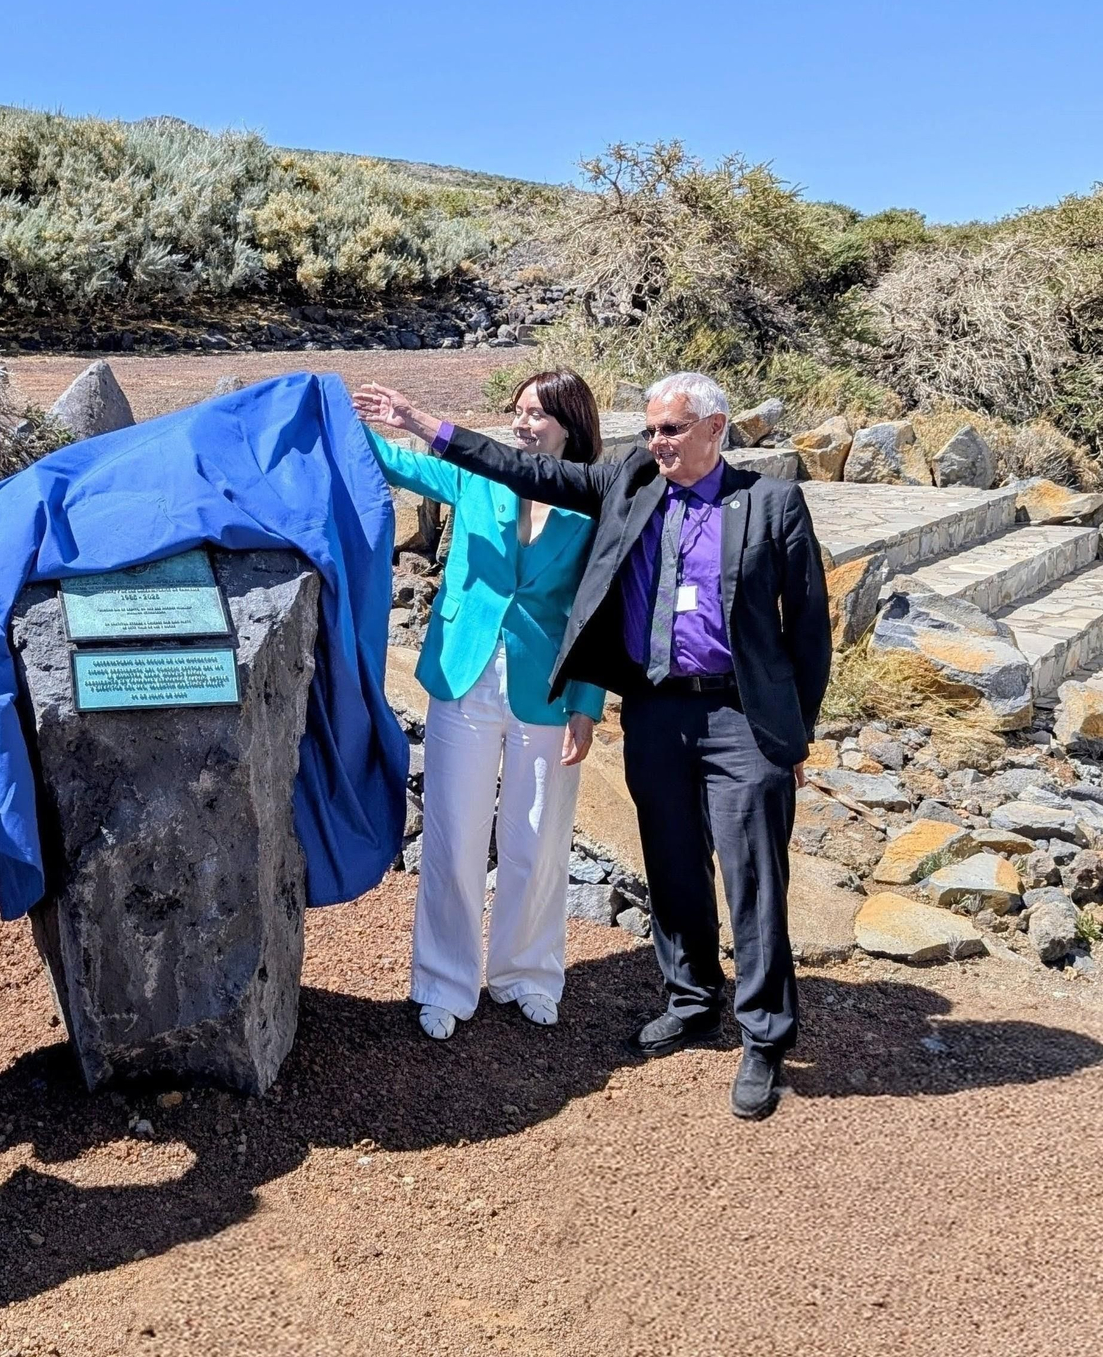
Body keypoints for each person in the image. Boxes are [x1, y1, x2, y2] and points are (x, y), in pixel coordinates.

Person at [353, 373, 830, 1122]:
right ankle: (689, 999)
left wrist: (796, 730)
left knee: (746, 876)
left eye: (671, 429)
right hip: (642, 706)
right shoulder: (629, 484)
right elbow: (507, 470)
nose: (657, 442)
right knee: (667, 863)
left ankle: (760, 1036)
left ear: (715, 429)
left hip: (729, 712)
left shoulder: (763, 502)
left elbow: (806, 623)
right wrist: (409, 420)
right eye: (650, 430)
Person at [366, 370, 606, 1037]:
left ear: (570, 426)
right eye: (518, 410)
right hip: (462, 673)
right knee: (455, 832)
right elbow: (395, 463)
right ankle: (443, 983)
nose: (522, 423)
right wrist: (332, 413)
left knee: (538, 839)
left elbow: (599, 610)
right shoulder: (478, 476)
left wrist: (587, 704)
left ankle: (526, 973)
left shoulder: (593, 502)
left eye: (537, 414)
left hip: (548, 689)